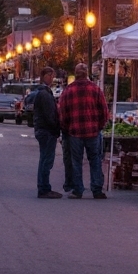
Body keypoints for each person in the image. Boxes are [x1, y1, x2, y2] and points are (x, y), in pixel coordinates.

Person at [58, 63, 109, 199]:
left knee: (76, 161)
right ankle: (97, 189)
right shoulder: (95, 89)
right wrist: (99, 125)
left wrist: (66, 127)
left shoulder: (68, 90)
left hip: (75, 132)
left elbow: (62, 112)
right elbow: (104, 111)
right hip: (93, 131)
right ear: (87, 74)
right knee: (95, 160)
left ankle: (77, 189)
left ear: (75, 73)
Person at [30, 67, 62, 199]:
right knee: (46, 160)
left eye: (52, 76)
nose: (52, 78)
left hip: (43, 129)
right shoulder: (44, 93)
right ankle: (44, 188)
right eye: (50, 76)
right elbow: (49, 115)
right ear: (44, 76)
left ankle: (43, 187)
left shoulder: (43, 92)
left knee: (44, 159)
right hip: (46, 131)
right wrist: (56, 128)